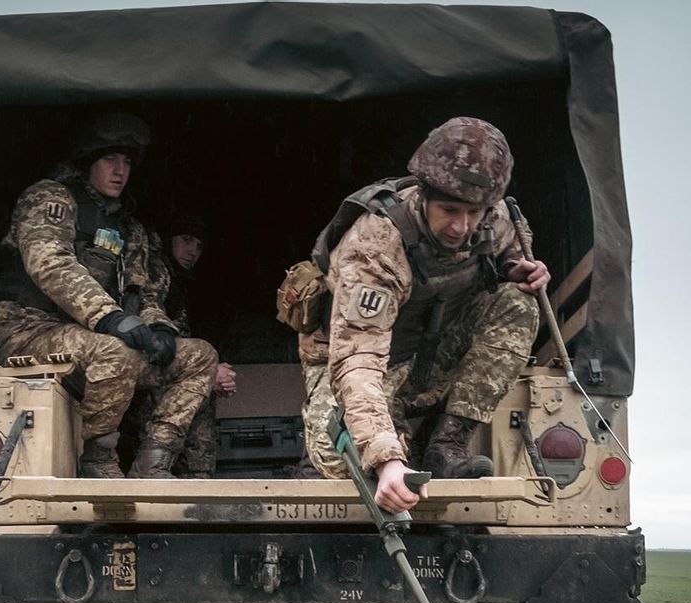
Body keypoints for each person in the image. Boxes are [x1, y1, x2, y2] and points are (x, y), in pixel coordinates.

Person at [298, 117, 552, 512]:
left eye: (474, 213)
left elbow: (506, 251)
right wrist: (385, 458)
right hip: (360, 361)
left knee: (518, 301)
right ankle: (391, 432)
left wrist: (513, 268)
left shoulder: (496, 217)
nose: (460, 227)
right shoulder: (376, 243)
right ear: (424, 194)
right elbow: (357, 360)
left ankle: (446, 446)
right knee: (339, 460)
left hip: (429, 353)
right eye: (448, 210)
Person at [0, 114, 218, 478]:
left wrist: (160, 330)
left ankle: (153, 462)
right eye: (110, 160)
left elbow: (143, 292)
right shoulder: (52, 197)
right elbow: (50, 263)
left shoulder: (127, 227)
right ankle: (96, 459)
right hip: (30, 333)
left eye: (127, 162)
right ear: (88, 162)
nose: (120, 171)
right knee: (114, 350)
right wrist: (109, 317)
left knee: (200, 357)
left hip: (91, 340)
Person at [156, 212, 235, 477]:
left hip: (172, 375)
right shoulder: (157, 275)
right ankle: (159, 471)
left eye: (199, 246)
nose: (192, 251)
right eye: (186, 240)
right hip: (147, 382)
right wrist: (208, 372)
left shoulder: (182, 283)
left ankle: (200, 483)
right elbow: (153, 344)